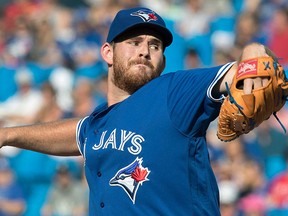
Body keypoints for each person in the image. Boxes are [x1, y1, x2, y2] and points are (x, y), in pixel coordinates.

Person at [0, 7, 278, 215]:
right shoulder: (98, 123)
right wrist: (7, 135)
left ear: (162, 60)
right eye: (134, 42)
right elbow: (75, 134)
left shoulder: (174, 93)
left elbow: (242, 68)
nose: (145, 51)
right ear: (108, 53)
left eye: (154, 45)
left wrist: (254, 52)